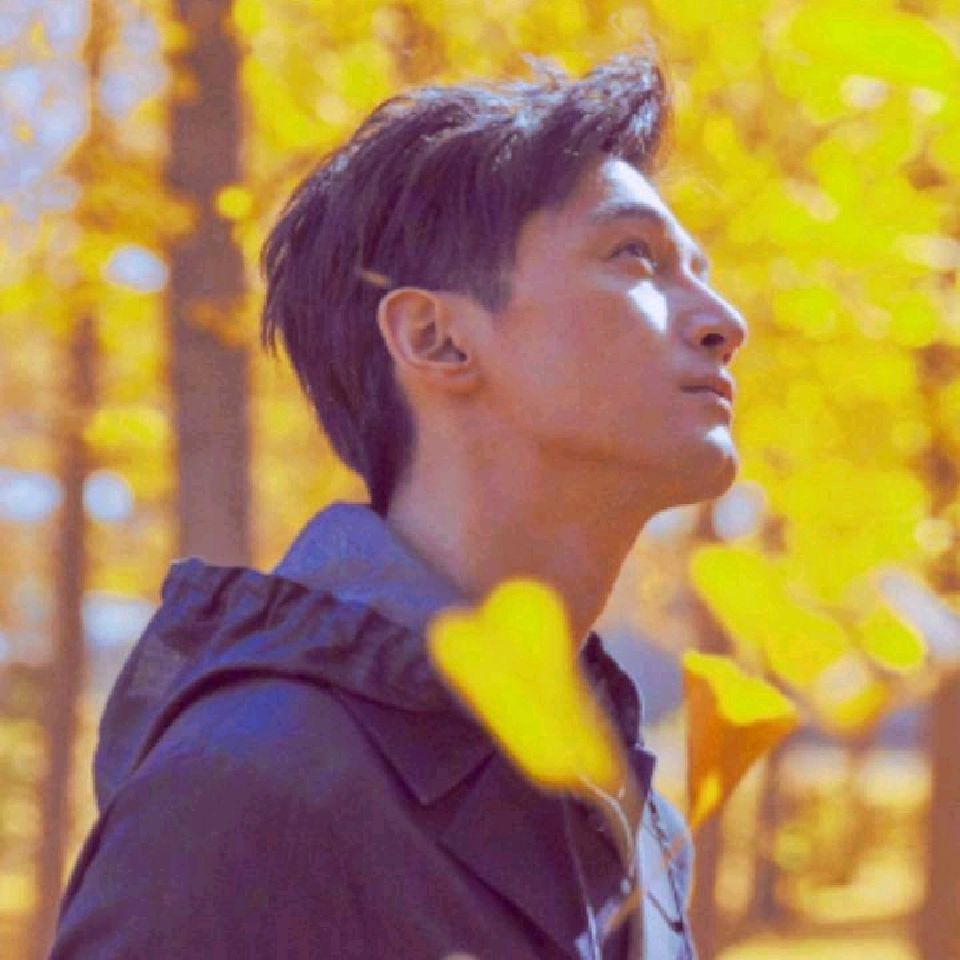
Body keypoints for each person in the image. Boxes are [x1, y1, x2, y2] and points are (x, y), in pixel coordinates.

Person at [50, 48, 746, 960]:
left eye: (698, 268)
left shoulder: (634, 827)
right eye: (636, 256)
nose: (724, 321)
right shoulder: (248, 791)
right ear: (436, 338)